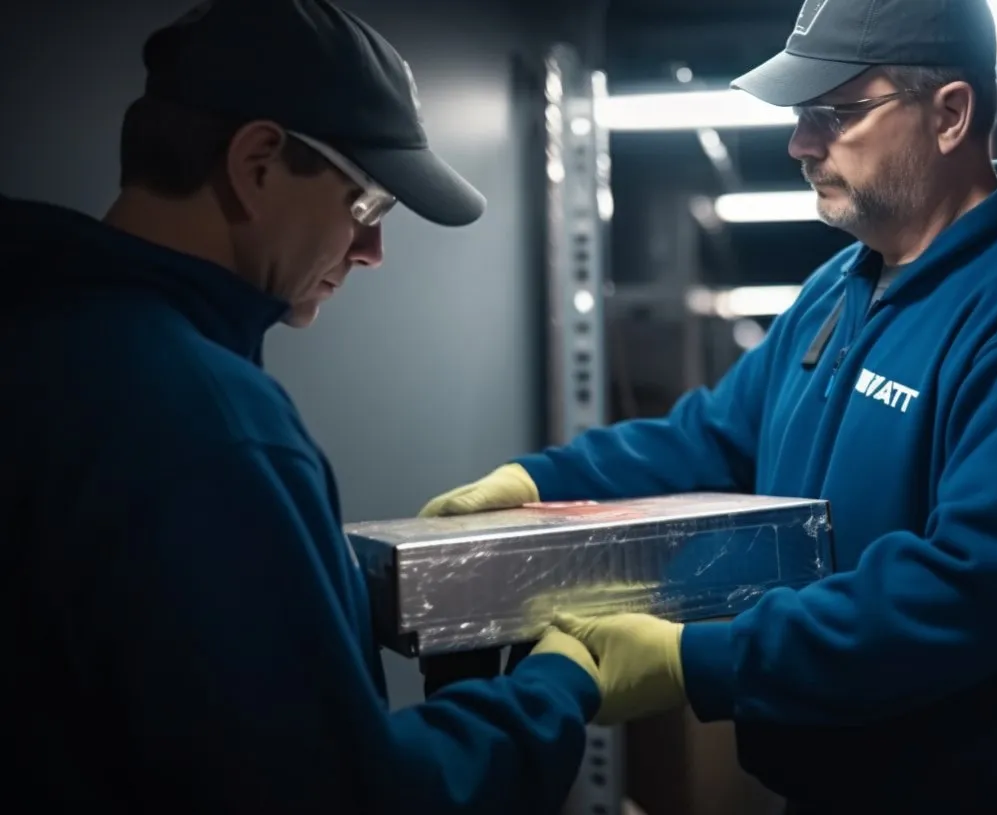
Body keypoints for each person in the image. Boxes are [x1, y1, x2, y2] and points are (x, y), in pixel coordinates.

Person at [421, 0, 997, 812]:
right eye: (801, 115)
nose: (800, 144)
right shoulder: (835, 292)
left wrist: (698, 659)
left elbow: (971, 590)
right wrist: (535, 483)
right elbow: (713, 438)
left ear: (949, 114)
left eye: (833, 113)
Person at [0, 1, 604, 811]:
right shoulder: (211, 427)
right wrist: (555, 685)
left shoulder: (42, 334)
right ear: (257, 163)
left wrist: (344, 583)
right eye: (368, 205)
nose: (372, 251)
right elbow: (342, 796)